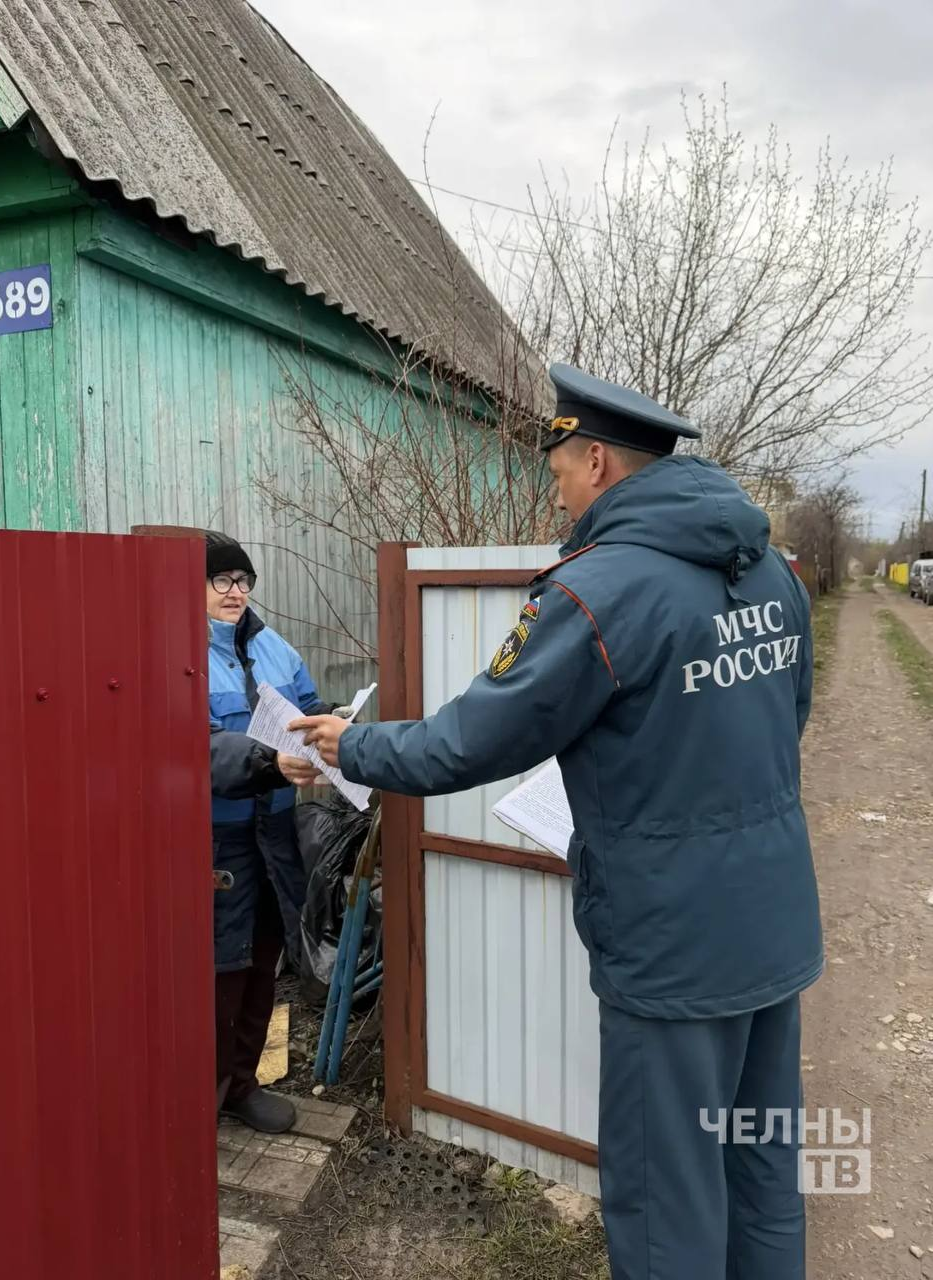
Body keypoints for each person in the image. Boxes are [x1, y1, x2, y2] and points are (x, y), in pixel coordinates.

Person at [288, 366, 823, 1280]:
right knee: (760, 1161)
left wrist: (354, 745)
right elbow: (788, 713)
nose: (557, 491)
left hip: (671, 942)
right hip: (772, 920)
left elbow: (470, 740)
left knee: (665, 1191)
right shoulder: (767, 568)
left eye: (560, 471)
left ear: (599, 462)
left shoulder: (596, 589)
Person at [206, 530, 336, 1134]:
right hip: (218, 838)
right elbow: (196, 746)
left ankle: (241, 1085)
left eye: (243, 580)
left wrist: (334, 724)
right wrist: (268, 763)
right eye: (221, 580)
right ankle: (201, 1100)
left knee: (264, 959)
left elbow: (309, 707)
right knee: (219, 968)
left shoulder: (274, 647)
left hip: (275, 830)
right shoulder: (174, 652)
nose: (235, 592)